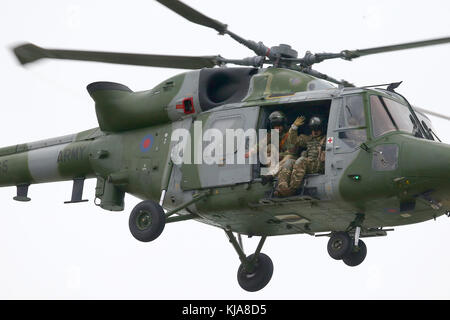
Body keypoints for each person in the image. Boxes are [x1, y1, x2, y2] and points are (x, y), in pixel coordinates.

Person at [275, 116, 326, 197]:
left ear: (322, 129)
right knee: (289, 162)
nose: (315, 132)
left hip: (319, 165)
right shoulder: (308, 139)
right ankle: (282, 187)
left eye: (317, 129)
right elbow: (293, 141)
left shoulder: (326, 139)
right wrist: (294, 127)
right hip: (309, 164)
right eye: (313, 129)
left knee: (301, 160)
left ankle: (292, 189)